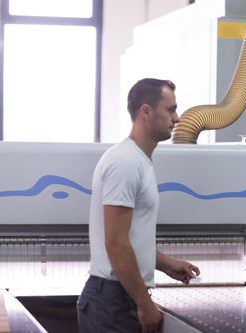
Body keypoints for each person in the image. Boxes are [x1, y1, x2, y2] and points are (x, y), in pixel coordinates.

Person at [77, 78, 200, 333]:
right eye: (170, 109)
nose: (177, 118)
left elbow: (129, 240)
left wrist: (166, 264)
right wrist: (144, 303)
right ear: (146, 112)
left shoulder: (139, 161)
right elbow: (116, 243)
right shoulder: (125, 163)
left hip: (119, 297)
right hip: (113, 302)